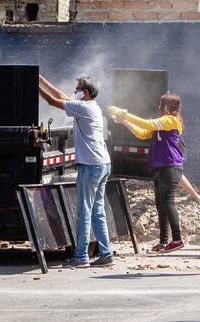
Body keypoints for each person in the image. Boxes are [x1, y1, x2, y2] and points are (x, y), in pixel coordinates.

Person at [38, 73, 114, 269]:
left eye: (78, 89)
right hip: (103, 163)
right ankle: (106, 253)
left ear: (86, 92)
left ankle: (81, 257)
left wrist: (33, 83)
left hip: (91, 166)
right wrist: (40, 79)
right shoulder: (91, 107)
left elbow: (52, 100)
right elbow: (62, 95)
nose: (75, 91)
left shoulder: (82, 108)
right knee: (97, 211)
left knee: (84, 212)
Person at [108, 93, 188, 253]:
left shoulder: (170, 120)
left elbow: (145, 123)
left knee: (167, 203)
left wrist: (124, 114)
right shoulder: (162, 123)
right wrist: (124, 121)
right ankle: (164, 242)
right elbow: (142, 133)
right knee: (160, 205)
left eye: (161, 103)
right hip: (162, 167)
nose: (159, 106)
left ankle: (177, 239)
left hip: (170, 166)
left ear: (166, 106)